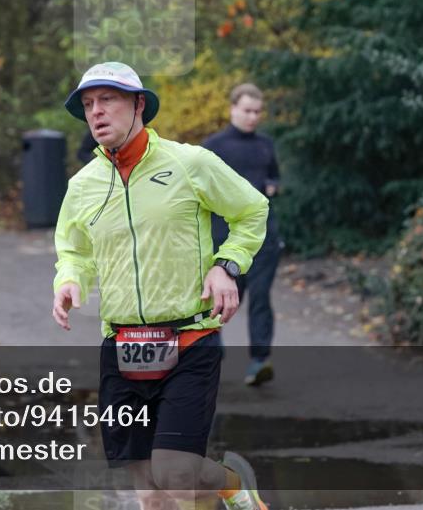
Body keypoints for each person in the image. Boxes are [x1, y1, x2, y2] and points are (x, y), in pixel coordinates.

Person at [52, 62, 271, 510]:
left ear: (138, 105)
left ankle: (233, 485)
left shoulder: (189, 163)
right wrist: (70, 279)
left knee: (177, 474)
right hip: (122, 347)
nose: (96, 112)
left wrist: (226, 265)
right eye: (89, 104)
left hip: (189, 340)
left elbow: (252, 211)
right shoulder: (83, 185)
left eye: (107, 100)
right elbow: (74, 249)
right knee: (151, 494)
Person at [203, 83, 281, 387]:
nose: (252, 117)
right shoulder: (213, 147)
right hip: (224, 238)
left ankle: (260, 360)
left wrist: (273, 185)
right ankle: (211, 355)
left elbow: (274, 174)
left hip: (265, 238)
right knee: (220, 299)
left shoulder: (265, 144)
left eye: (257, 112)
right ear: (233, 108)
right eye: (247, 110)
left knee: (260, 298)